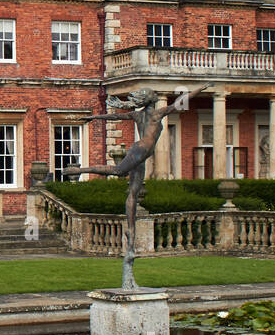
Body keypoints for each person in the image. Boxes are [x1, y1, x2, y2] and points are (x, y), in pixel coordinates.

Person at [64, 85, 211, 289]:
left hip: (142, 155)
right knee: (118, 172)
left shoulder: (137, 114)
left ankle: (130, 237)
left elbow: (113, 118)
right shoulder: (157, 113)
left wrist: (95, 118)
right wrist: (200, 88)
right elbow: (181, 101)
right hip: (140, 150)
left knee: (133, 193)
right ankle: (80, 171)